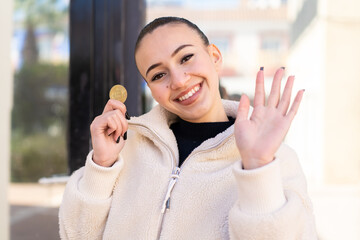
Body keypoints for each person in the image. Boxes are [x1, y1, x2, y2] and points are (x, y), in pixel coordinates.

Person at [59, 16, 317, 239]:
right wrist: (101, 166)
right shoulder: (126, 150)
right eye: (158, 75)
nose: (180, 81)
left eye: (186, 58)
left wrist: (258, 168)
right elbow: (78, 236)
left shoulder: (277, 161)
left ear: (214, 56)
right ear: (151, 89)